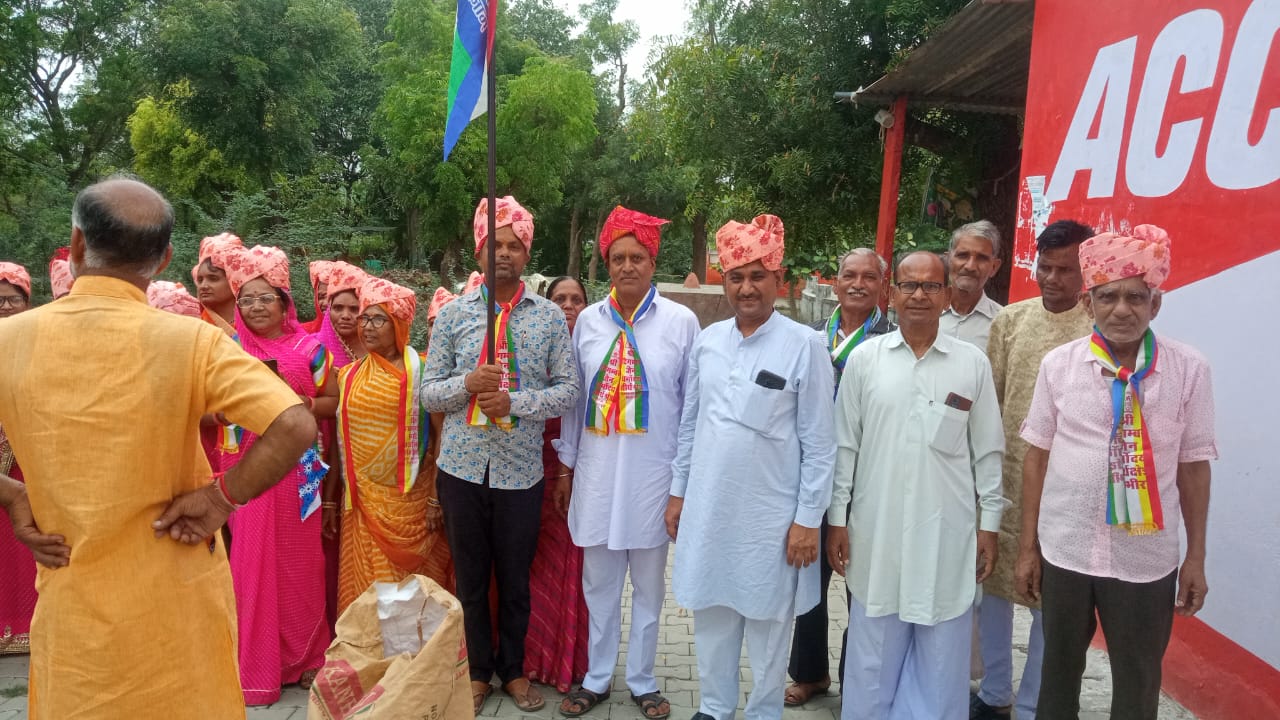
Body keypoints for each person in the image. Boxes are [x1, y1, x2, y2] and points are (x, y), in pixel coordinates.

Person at [0, 176, 316, 718]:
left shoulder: (9, 339)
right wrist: (220, 498)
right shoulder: (192, 341)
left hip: (74, 610)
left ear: (77, 244)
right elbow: (294, 424)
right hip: (177, 600)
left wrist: (13, 495)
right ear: (165, 259)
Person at [1015, 225, 1216, 720]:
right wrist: (1028, 549)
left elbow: (1193, 466)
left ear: (1155, 304)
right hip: (1065, 550)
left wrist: (1195, 557)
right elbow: (1036, 457)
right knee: (1057, 675)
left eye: (1135, 297)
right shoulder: (1059, 366)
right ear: (1088, 303)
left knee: (1139, 680)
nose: (1122, 309)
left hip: (1145, 558)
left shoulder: (1189, 370)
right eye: (1107, 297)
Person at [666, 214, 835, 720]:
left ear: (778, 279)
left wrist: (808, 520)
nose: (746, 287)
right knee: (712, 613)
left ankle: (763, 712)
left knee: (768, 624)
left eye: (757, 275)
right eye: (736, 276)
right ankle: (715, 708)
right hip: (710, 508)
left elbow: (820, 444)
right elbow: (690, 425)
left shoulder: (804, 345)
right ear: (725, 280)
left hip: (772, 518)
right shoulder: (708, 341)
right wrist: (678, 492)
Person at [828, 251, 1006, 720]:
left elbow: (989, 451)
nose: (919, 295)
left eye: (930, 286)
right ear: (892, 294)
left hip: (946, 532)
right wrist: (837, 519)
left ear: (946, 295)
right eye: (909, 285)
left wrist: (989, 525)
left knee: (942, 659)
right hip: (876, 529)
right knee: (872, 657)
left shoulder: (971, 364)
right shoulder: (866, 361)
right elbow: (844, 447)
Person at [422, 195, 578, 715]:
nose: (504, 253)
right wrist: (467, 383)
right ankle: (477, 672)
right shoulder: (453, 315)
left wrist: (517, 402)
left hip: (520, 472)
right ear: (480, 250)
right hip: (461, 469)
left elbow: (568, 390)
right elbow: (429, 393)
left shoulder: (549, 317)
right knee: (470, 580)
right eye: (495, 244)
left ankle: (513, 670)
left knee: (514, 580)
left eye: (514, 245)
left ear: (527, 253)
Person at [556, 209, 700, 719]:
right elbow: (574, 401)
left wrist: (682, 486)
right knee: (599, 585)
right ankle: (597, 678)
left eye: (637, 257)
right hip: (597, 475)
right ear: (607, 263)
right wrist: (566, 467)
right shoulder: (589, 322)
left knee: (648, 588)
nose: (627, 266)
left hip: (653, 479)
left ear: (652, 261)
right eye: (617, 258)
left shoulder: (681, 323)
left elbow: (691, 410)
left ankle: (642, 680)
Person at [971, 220, 1095, 720]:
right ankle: (994, 691)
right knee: (992, 587)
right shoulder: (1010, 321)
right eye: (1045, 267)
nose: (1052, 279)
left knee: (1052, 600)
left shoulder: (1098, 329)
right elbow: (990, 401)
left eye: (1065, 270)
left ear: (1087, 272)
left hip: (1068, 489)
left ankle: (1032, 704)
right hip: (1005, 481)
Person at [218, 244, 339, 705]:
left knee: (301, 563)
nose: (255, 307)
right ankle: (257, 665)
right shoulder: (227, 349)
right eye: (246, 299)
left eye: (265, 298)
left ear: (284, 302)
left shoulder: (312, 349)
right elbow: (209, 406)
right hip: (247, 470)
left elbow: (332, 402)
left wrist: (298, 403)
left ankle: (308, 655)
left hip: (298, 472)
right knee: (250, 564)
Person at [786, 247, 894, 707]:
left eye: (869, 277)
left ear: (882, 286)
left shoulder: (894, 339)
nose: (858, 284)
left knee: (861, 583)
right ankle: (810, 673)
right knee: (809, 578)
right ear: (835, 282)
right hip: (811, 474)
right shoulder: (809, 335)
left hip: (867, 477)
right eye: (849, 275)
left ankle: (858, 681)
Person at [336, 275, 453, 611]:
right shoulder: (349, 374)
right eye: (365, 318)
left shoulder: (425, 373)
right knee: (369, 593)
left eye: (378, 319)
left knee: (413, 596)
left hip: (414, 506)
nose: (367, 327)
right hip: (364, 504)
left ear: (400, 324)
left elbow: (442, 434)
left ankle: (416, 647)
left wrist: (435, 498)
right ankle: (369, 643)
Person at [524, 275, 591, 695]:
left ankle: (568, 660)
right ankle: (531, 658)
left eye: (576, 300)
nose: (568, 306)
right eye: (559, 299)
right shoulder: (533, 348)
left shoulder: (594, 350)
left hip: (577, 471)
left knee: (569, 564)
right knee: (531, 565)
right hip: (530, 469)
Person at [0, 262, 34, 656]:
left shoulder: (37, 340)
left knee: (22, 538)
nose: (6, 307)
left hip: (25, 453)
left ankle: (26, 623)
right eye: (0, 301)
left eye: (14, 299)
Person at [940, 220, 1004, 353]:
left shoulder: (1003, 322)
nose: (970, 266)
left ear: (994, 267)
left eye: (981, 258)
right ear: (948, 260)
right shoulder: (924, 312)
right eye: (962, 255)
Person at [193, 232, 245, 336]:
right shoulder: (194, 321)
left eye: (213, 279)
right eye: (200, 280)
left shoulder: (254, 321)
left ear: (234, 281)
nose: (203, 286)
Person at [303, 260, 340, 333]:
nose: (326, 303)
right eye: (321, 297)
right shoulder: (303, 332)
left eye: (331, 296)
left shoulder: (358, 334)